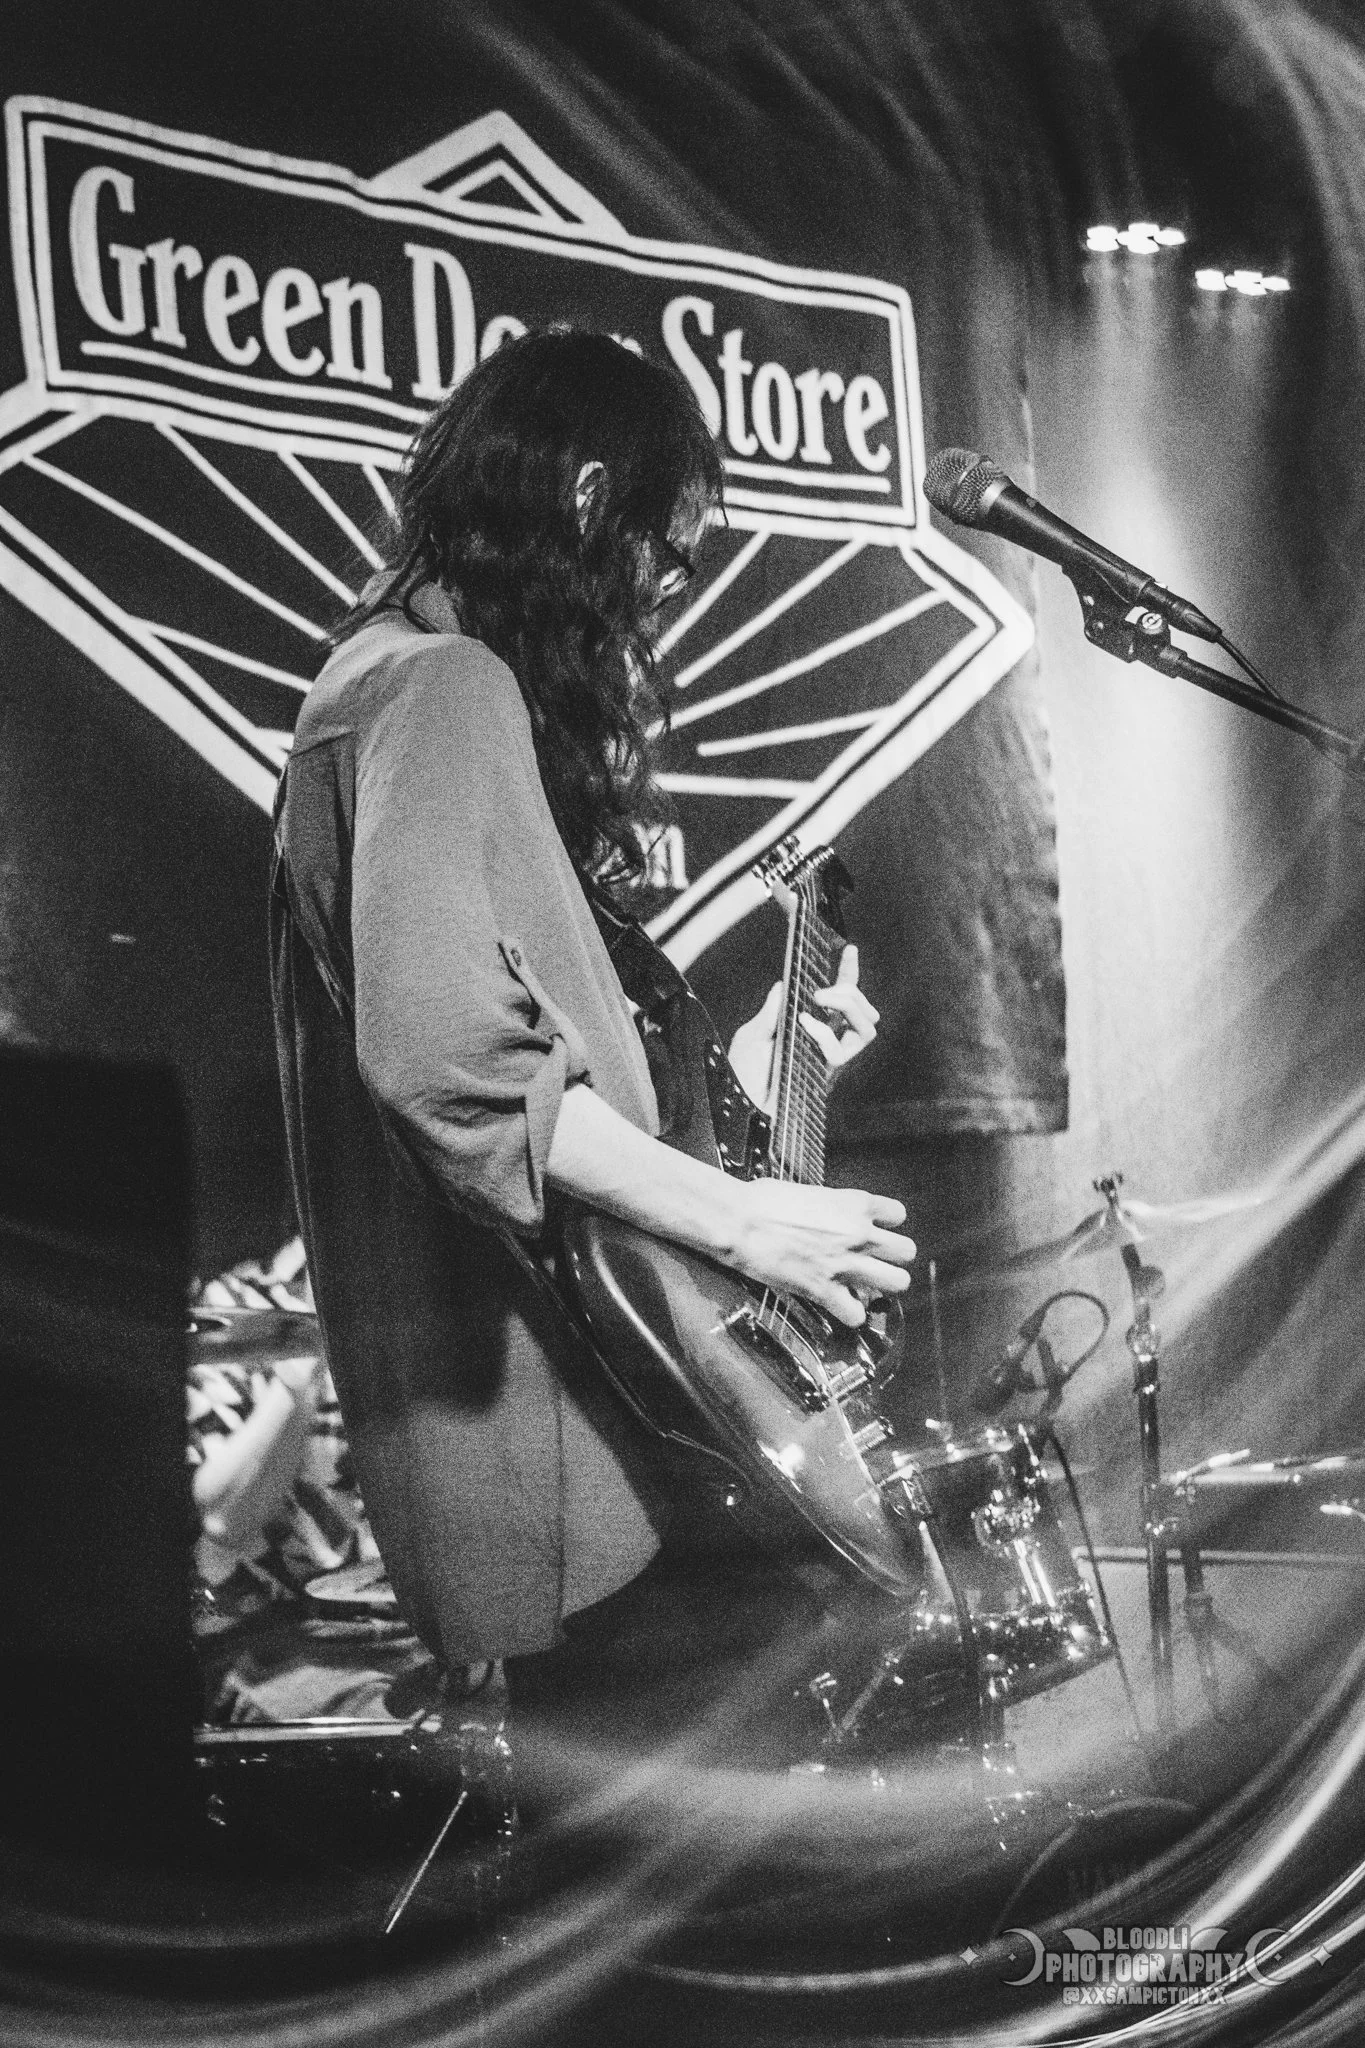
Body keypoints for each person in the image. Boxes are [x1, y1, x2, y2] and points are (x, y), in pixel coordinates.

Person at [269, 330, 915, 1778]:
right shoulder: (439, 686)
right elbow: (449, 1067)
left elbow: (534, 1090)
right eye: (668, 561)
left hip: (571, 1432)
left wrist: (743, 1073)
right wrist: (753, 1220)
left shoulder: (385, 683)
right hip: (596, 1439)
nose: (659, 613)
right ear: (586, 500)